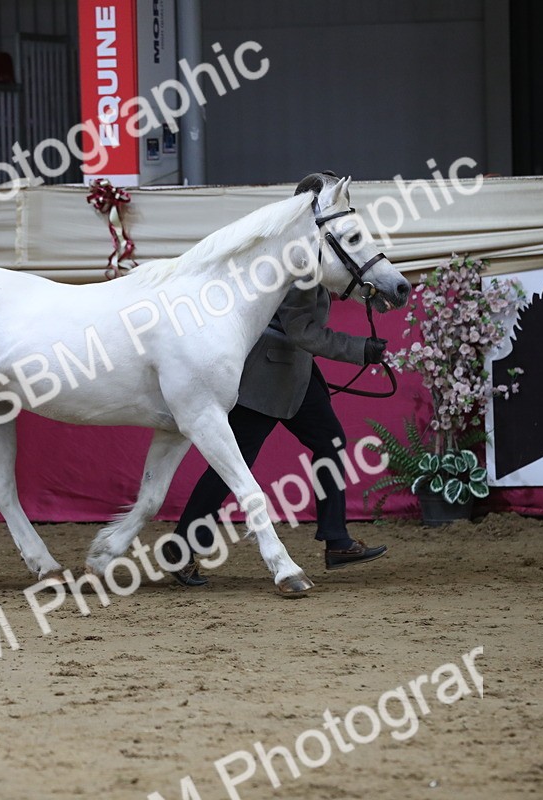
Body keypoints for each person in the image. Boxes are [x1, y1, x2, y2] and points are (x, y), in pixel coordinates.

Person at [162, 176, 391, 587]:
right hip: (269, 377)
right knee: (233, 463)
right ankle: (181, 548)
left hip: (295, 373)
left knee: (329, 442)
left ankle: (336, 539)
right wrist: (360, 350)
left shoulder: (313, 249)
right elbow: (303, 330)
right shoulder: (298, 260)